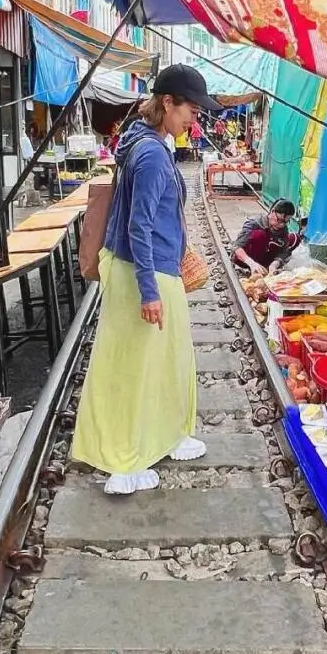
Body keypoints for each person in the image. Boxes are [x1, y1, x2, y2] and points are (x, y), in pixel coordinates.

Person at [72, 64, 219, 496]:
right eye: (190, 108)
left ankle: (168, 434)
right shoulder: (154, 154)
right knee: (134, 370)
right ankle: (125, 460)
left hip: (146, 266)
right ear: (167, 103)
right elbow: (139, 226)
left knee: (165, 361)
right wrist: (150, 292)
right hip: (146, 270)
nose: (195, 117)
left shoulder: (147, 141)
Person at [232, 199, 306, 276]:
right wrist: (251, 263)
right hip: (248, 259)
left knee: (295, 238)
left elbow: (284, 251)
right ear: (272, 212)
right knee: (259, 235)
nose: (282, 225)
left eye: (286, 222)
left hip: (265, 257)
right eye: (279, 220)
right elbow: (236, 247)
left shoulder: (283, 228)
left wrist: (275, 264)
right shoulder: (254, 223)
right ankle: (254, 268)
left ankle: (266, 268)